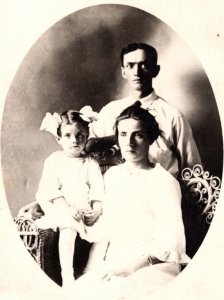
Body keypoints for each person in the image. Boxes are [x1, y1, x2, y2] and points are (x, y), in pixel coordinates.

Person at [73, 102, 190, 299]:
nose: (129, 143)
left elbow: (172, 241)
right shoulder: (112, 175)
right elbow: (107, 228)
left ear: (150, 139)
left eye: (138, 135)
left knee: (121, 291)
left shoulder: (164, 181)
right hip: (116, 260)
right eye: (123, 134)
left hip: (154, 265)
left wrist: (130, 269)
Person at [90, 42, 201, 179]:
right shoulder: (109, 111)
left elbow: (193, 171)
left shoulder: (172, 115)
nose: (136, 72)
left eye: (144, 65)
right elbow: (85, 149)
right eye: (130, 66)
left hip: (161, 193)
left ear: (155, 70)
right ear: (123, 72)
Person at [35, 107, 104, 287]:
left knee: (105, 231)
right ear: (59, 139)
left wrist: (95, 211)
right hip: (61, 208)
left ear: (87, 136)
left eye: (80, 135)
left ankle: (91, 273)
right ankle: (68, 276)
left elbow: (98, 190)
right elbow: (51, 191)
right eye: (68, 136)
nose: (74, 140)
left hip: (84, 209)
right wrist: (69, 210)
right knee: (69, 226)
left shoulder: (90, 163)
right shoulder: (54, 160)